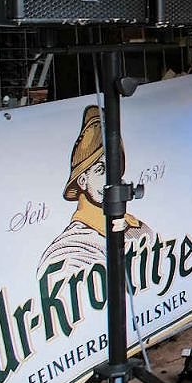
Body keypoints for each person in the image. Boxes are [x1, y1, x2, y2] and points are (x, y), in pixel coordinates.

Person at [38, 105, 153, 275]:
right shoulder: (73, 247)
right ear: (82, 180)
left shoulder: (135, 225)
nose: (110, 176)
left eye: (114, 166)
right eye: (100, 170)